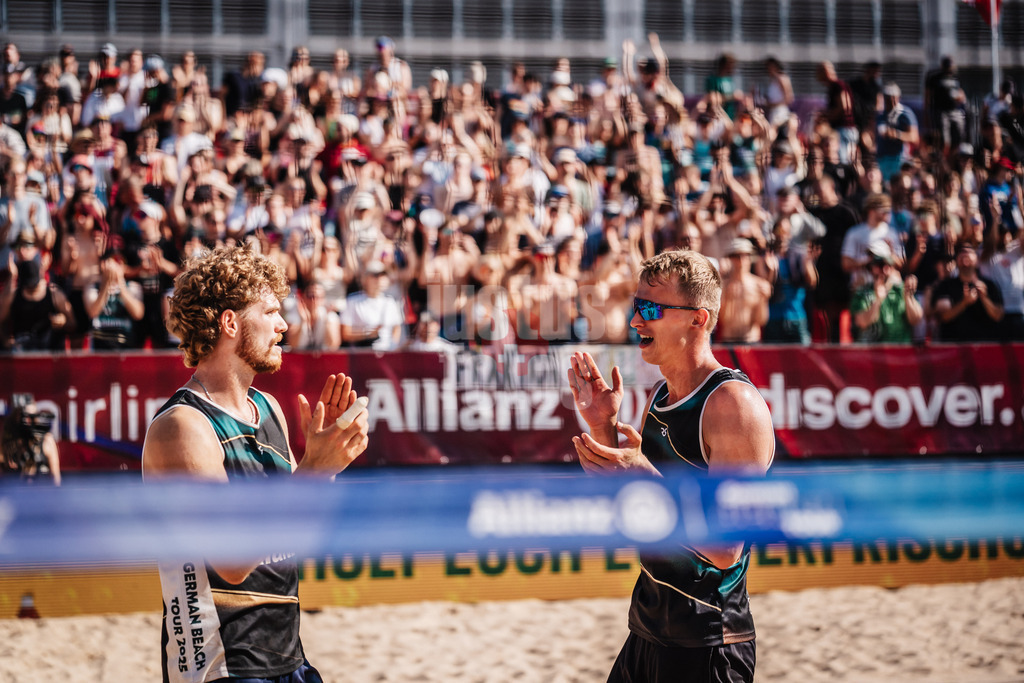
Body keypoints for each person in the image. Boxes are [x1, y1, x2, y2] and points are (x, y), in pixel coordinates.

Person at [142, 245, 369, 683]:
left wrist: (331, 464)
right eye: (270, 311)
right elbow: (232, 560)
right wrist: (312, 472)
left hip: (289, 659)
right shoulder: (183, 426)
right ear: (230, 322)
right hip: (221, 667)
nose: (284, 324)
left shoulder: (266, 408)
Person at [567, 249, 774, 683]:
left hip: (707, 644)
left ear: (698, 319)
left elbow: (725, 548)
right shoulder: (662, 398)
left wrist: (641, 474)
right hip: (648, 627)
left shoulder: (733, 406)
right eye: (635, 307)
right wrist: (604, 431)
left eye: (650, 309)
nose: (635, 321)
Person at [850, 243, 923, 343]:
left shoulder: (902, 289)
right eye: (875, 264)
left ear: (891, 266)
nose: (879, 269)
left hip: (900, 353)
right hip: (872, 355)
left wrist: (908, 296)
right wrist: (877, 301)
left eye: (883, 264)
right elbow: (862, 322)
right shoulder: (862, 293)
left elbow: (916, 319)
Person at [1, 395, 61, 485]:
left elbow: (56, 480)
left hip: (41, 495)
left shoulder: (46, 442)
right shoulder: (6, 443)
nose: (27, 421)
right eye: (23, 417)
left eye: (30, 417)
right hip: (14, 494)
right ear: (15, 418)